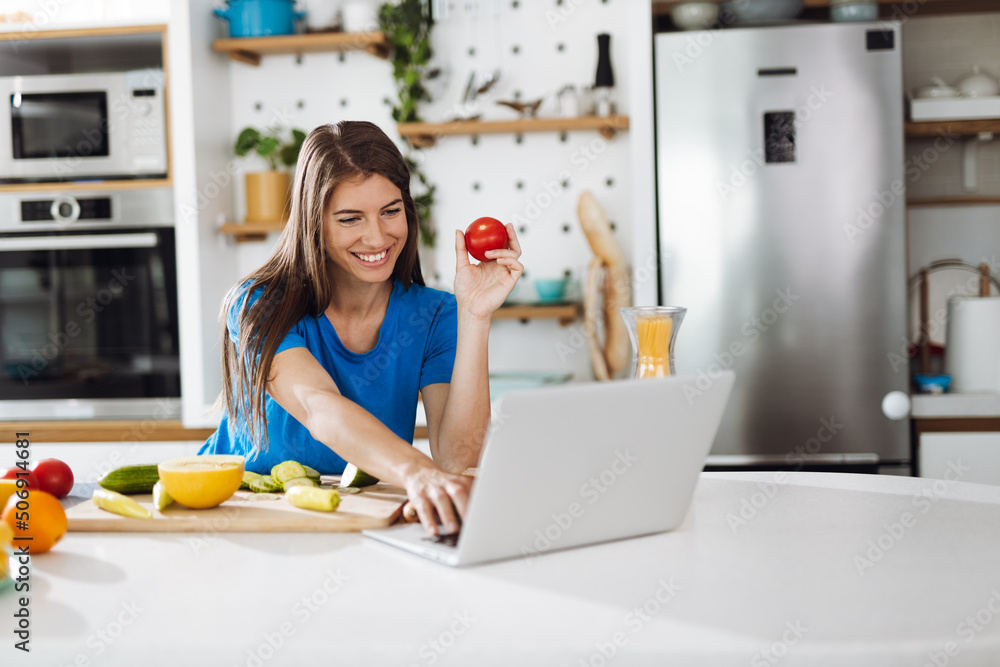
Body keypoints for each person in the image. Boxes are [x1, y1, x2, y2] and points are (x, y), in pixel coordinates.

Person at [199, 121, 522, 536]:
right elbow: (318, 405)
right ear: (314, 223)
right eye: (351, 219)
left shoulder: (436, 314)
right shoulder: (259, 305)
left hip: (358, 518)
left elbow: (457, 461)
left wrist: (475, 316)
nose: (377, 237)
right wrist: (418, 474)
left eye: (390, 211)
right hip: (243, 518)